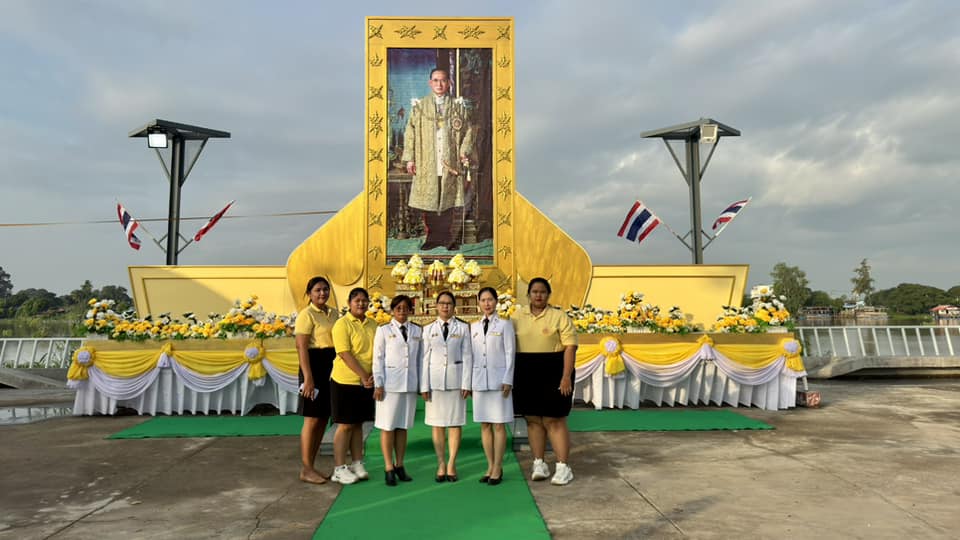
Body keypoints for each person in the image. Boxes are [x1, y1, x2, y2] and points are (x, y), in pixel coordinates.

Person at [512, 277, 578, 486]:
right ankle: (539, 463)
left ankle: (563, 466)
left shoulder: (559, 316)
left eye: (542, 292)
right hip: (525, 371)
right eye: (534, 292)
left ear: (548, 295)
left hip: (554, 370)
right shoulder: (516, 316)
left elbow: (570, 347)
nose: (538, 295)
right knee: (532, 419)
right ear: (528, 294)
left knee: (553, 419)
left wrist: (566, 376)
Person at [402, 67, 476, 251]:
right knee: (430, 200)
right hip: (427, 160)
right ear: (430, 83)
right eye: (435, 80)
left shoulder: (457, 107)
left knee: (448, 199)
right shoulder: (420, 107)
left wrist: (464, 151)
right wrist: (410, 159)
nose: (439, 84)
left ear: (449, 83)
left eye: (443, 80)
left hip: (450, 162)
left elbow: (468, 131)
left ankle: (446, 238)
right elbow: (410, 133)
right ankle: (432, 238)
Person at [420, 291, 472, 482]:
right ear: (436, 305)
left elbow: (468, 356)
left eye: (449, 303)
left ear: (454, 306)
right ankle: (441, 462)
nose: (445, 306)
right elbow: (424, 359)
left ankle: (451, 463)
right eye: (442, 303)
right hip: (435, 383)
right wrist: (424, 385)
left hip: (456, 382)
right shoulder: (428, 329)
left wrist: (466, 383)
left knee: (455, 423)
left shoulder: (463, 328)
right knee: (437, 424)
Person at [329, 287, 377, 485]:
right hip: (345, 380)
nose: (361, 304)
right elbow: (344, 353)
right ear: (349, 303)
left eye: (364, 300)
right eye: (357, 300)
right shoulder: (342, 324)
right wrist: (363, 375)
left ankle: (357, 463)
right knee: (346, 425)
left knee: (358, 424)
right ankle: (339, 468)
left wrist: (372, 375)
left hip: (366, 381)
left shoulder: (373, 324)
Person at [372, 295, 421, 486]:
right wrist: (378, 383)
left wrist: (421, 384)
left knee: (402, 426)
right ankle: (388, 467)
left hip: (409, 384)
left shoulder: (417, 330)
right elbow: (378, 358)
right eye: (398, 308)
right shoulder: (384, 330)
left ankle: (400, 464)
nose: (402, 311)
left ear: (410, 310)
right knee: (388, 426)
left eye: (405, 308)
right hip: (389, 385)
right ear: (392, 310)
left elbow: (420, 359)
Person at [294, 276, 339, 485]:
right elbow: (301, 347)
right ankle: (306, 467)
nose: (322, 293)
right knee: (311, 418)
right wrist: (308, 378)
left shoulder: (334, 313)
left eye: (325, 289)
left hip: (331, 365)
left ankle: (311, 465)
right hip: (313, 365)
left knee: (323, 418)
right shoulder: (306, 315)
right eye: (318, 290)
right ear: (309, 294)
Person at [470, 287, 515, 486]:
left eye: (490, 299)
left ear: (496, 301)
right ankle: (489, 465)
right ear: (478, 302)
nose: (487, 303)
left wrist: (508, 379)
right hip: (480, 381)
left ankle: (498, 466)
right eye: (483, 300)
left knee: (498, 424)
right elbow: (470, 356)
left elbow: (510, 353)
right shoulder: (473, 327)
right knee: (485, 425)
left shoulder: (505, 325)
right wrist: (470, 382)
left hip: (499, 382)